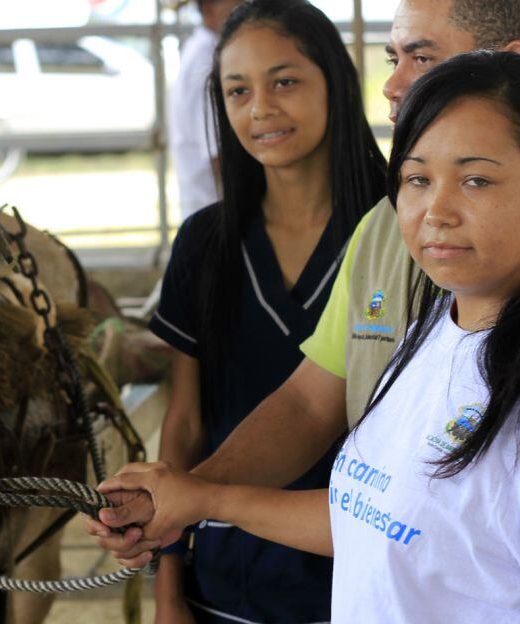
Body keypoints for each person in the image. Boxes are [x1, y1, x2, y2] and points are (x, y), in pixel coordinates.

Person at [92, 2, 520, 619]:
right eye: (417, 179)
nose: (392, 85)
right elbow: (371, 497)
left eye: (421, 58)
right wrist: (194, 497)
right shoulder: (425, 314)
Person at [145, 1, 386, 621]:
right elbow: (184, 423)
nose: (260, 109)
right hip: (229, 580)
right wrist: (168, 590)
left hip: (371, 577)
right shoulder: (204, 243)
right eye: (238, 91)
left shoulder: (401, 233)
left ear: (336, 80)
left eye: (284, 82)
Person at [168, 0, 242, 220]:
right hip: (213, 208)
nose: (245, 8)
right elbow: (218, 151)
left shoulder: (207, 49)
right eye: (236, 4)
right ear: (208, 8)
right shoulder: (206, 58)